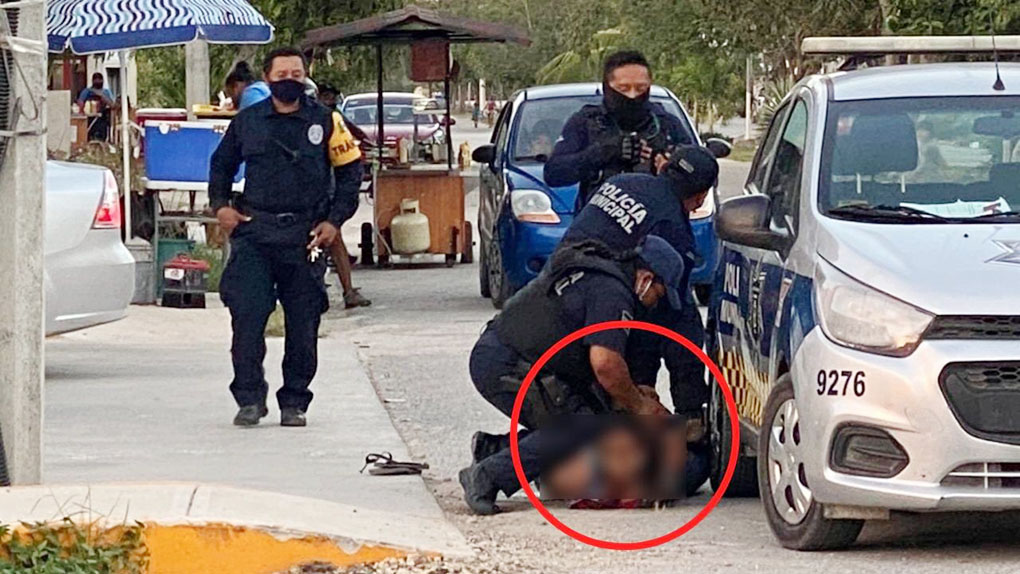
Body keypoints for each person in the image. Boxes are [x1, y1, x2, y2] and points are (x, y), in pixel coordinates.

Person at [459, 236, 685, 515]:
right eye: (658, 294)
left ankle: (495, 450)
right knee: (581, 426)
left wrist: (635, 392)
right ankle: (488, 476)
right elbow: (605, 364)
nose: (654, 303)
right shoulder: (612, 292)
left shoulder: (602, 275)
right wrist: (639, 406)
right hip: (507, 363)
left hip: (513, 356)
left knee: (594, 422)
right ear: (646, 279)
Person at [209, 47, 364, 428]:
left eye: (297, 74)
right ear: (267, 78)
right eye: (282, 75)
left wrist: (334, 221)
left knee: (303, 324)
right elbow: (221, 164)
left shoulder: (327, 120)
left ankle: (295, 401)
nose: (289, 80)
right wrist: (221, 207)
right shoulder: (247, 121)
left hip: (305, 236)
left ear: (305, 78)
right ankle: (249, 399)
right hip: (256, 233)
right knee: (247, 320)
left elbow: (351, 173)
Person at [559, 145, 720, 422]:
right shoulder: (673, 229)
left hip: (553, 291)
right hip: (602, 312)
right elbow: (672, 318)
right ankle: (687, 420)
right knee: (671, 314)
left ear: (664, 167)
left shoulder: (622, 182)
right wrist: (685, 403)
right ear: (700, 197)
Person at [544, 50, 693, 210]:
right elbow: (554, 173)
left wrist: (668, 164)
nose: (632, 96)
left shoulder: (667, 124)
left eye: (641, 88)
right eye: (623, 88)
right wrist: (604, 152)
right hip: (597, 219)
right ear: (607, 87)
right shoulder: (586, 122)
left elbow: (701, 172)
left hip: (657, 217)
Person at [314, 83, 371, 309]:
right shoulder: (316, 117)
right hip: (314, 194)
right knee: (330, 240)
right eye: (327, 96)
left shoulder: (331, 118)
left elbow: (355, 134)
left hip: (327, 190)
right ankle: (344, 290)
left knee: (332, 237)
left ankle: (346, 290)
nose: (330, 100)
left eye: (332, 97)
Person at [77, 73, 115, 142]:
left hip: (102, 118)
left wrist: (102, 96)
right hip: (89, 117)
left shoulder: (106, 92)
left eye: (100, 80)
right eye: (96, 80)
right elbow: (80, 102)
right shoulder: (87, 91)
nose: (98, 82)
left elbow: (112, 105)